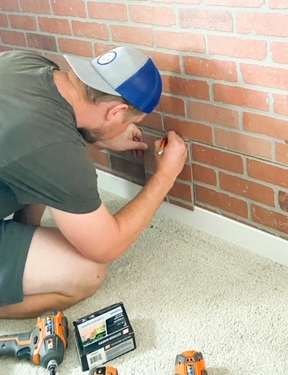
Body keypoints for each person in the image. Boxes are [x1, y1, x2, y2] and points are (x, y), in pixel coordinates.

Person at [0, 46, 187, 319]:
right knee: (87, 272)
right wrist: (165, 176)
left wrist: (99, 137)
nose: (126, 128)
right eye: (127, 122)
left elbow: (45, 143)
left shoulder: (26, 63)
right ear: (115, 111)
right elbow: (106, 246)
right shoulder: (56, 149)